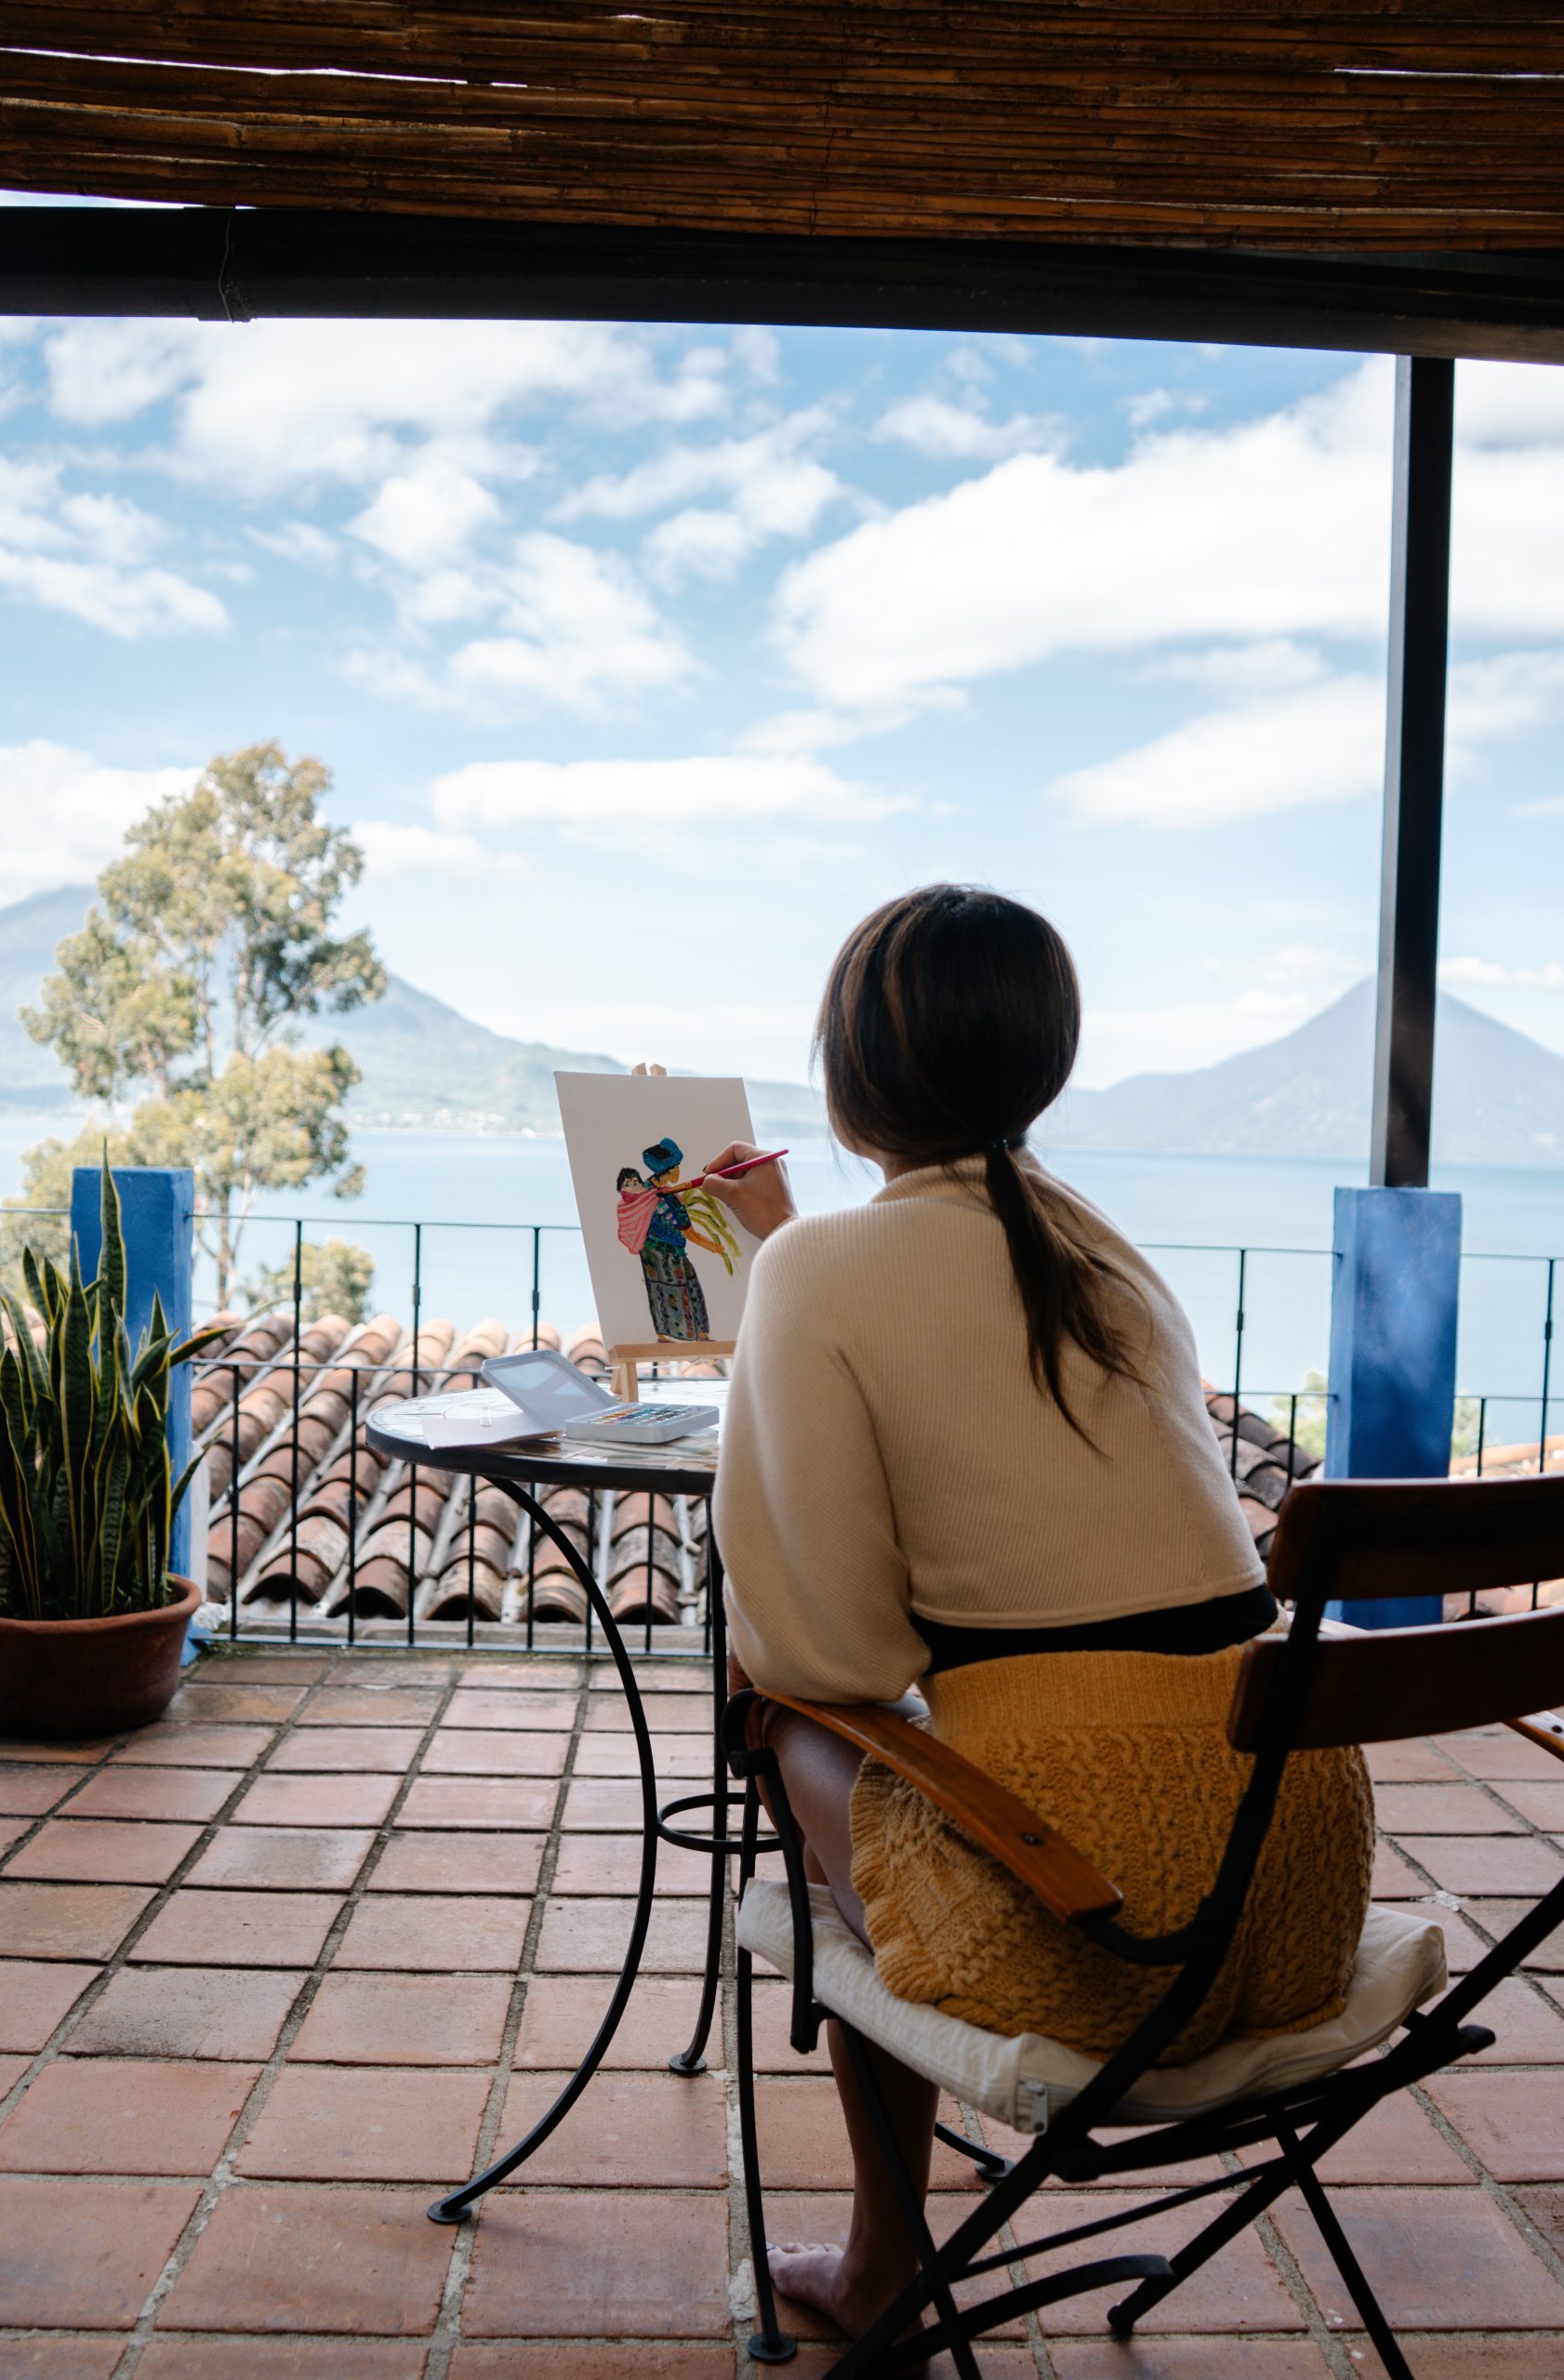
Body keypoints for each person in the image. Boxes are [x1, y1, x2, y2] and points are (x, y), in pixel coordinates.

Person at [700, 884, 1373, 2351]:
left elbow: (834, 1657)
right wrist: (791, 1254)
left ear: (845, 1078)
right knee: (911, 1737)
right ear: (1040, 1067)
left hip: (1098, 1930)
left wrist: (782, 1284)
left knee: (780, 1713)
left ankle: (881, 2265)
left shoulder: (818, 1273)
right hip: (1290, 1884)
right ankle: (887, 2228)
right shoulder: (1102, 1254)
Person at [619, 1136, 728, 1341]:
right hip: (670, 1254)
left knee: (657, 1289)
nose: (679, 1172)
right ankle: (698, 1335)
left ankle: (665, 1336)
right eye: (677, 1168)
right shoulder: (668, 1199)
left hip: (649, 1252)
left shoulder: (643, 1188)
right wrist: (715, 1247)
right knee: (684, 1289)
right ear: (669, 1172)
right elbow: (690, 1233)